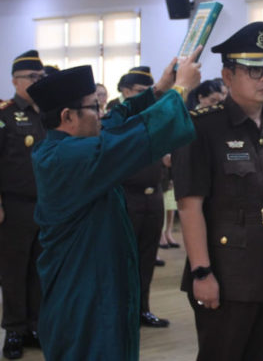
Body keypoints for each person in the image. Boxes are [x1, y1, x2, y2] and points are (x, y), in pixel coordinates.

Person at [27, 48, 201, 361]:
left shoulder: (72, 144)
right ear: (67, 116)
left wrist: (159, 89)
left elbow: (116, 119)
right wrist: (181, 90)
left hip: (97, 284)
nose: (101, 112)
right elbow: (133, 137)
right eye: (94, 106)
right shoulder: (67, 158)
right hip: (83, 296)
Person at [172, 21, 263, 361]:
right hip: (227, 275)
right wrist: (201, 272)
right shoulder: (203, 127)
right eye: (253, 70)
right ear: (228, 75)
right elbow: (190, 207)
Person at [0, 50, 46, 360]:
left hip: (45, 206)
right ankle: (14, 330)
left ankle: (34, 327)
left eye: (41, 77)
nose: (37, 81)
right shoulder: (4, 115)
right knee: (14, 271)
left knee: (39, 269)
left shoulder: (48, 114)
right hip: (14, 207)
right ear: (16, 81)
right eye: (31, 77)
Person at [118, 66, 172, 328]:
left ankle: (143, 309)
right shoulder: (118, 118)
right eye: (140, 91)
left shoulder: (153, 116)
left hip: (154, 196)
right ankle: (122, 312)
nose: (146, 96)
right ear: (126, 91)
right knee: (123, 258)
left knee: (147, 256)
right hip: (127, 196)